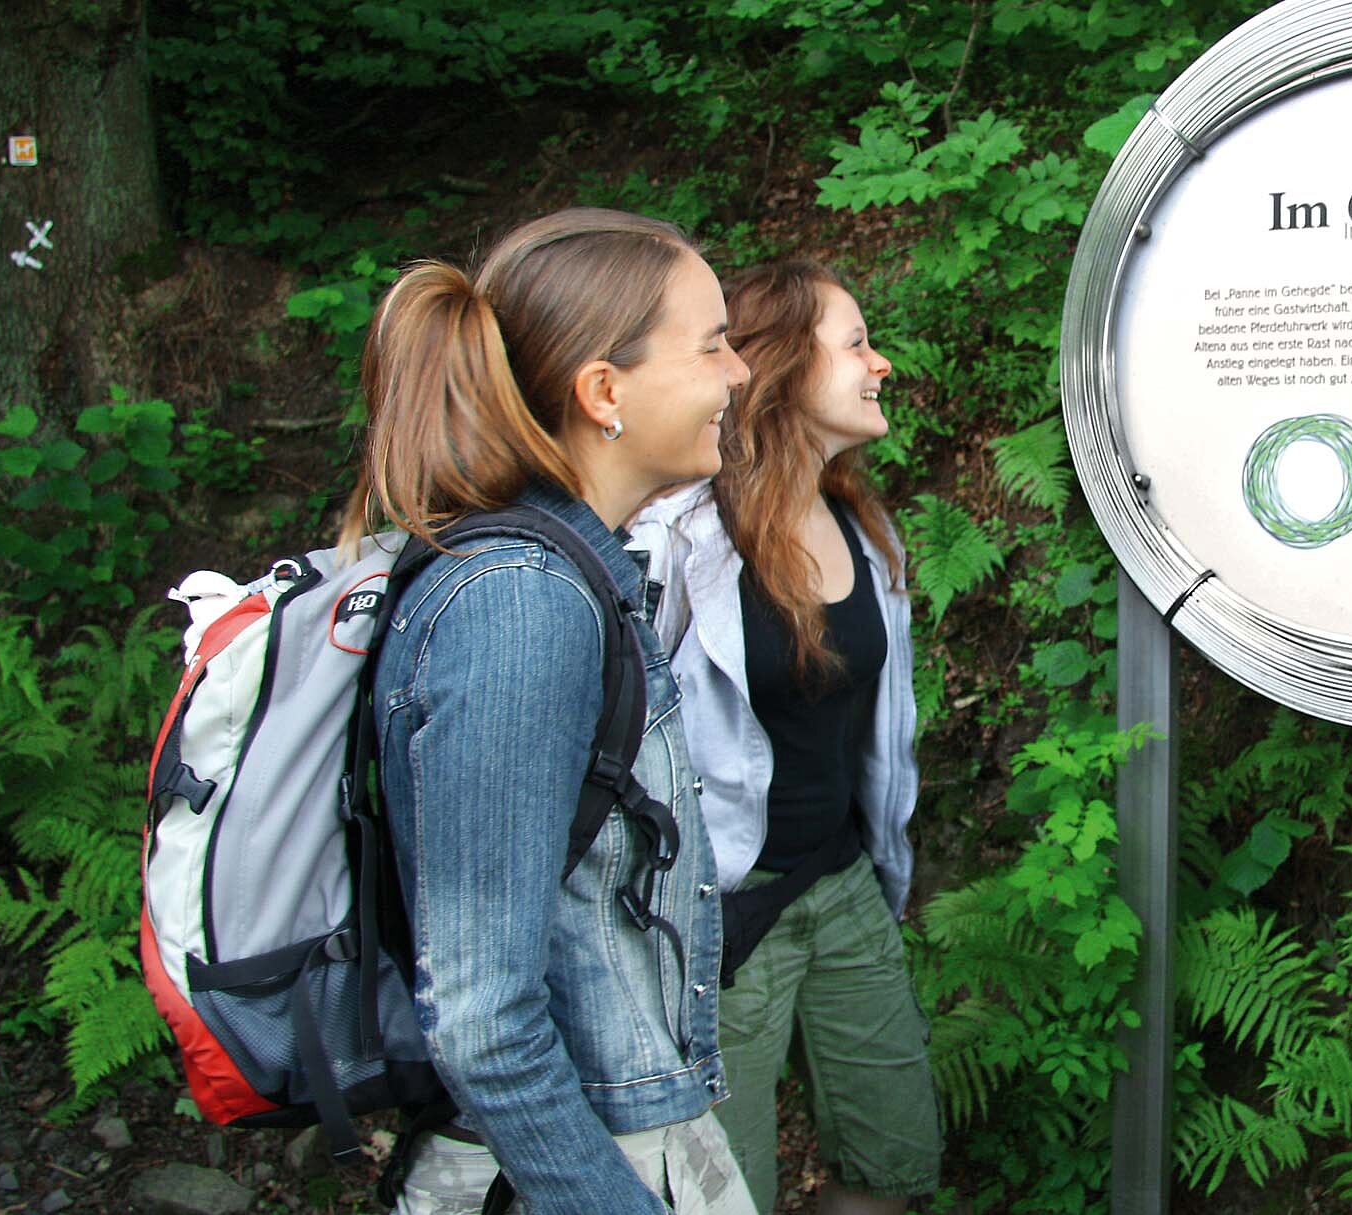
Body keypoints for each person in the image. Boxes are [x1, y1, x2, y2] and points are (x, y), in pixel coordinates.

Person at [341, 208, 757, 1215]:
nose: (740, 373)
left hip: (618, 1135)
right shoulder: (519, 606)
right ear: (604, 391)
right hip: (563, 1169)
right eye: (711, 345)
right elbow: (483, 1020)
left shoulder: (564, 576)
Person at [632, 259, 942, 1215]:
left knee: (894, 1158)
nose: (881, 363)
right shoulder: (683, 540)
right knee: (726, 1191)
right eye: (856, 343)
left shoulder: (863, 526)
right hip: (723, 921)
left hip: (842, 883)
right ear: (784, 369)